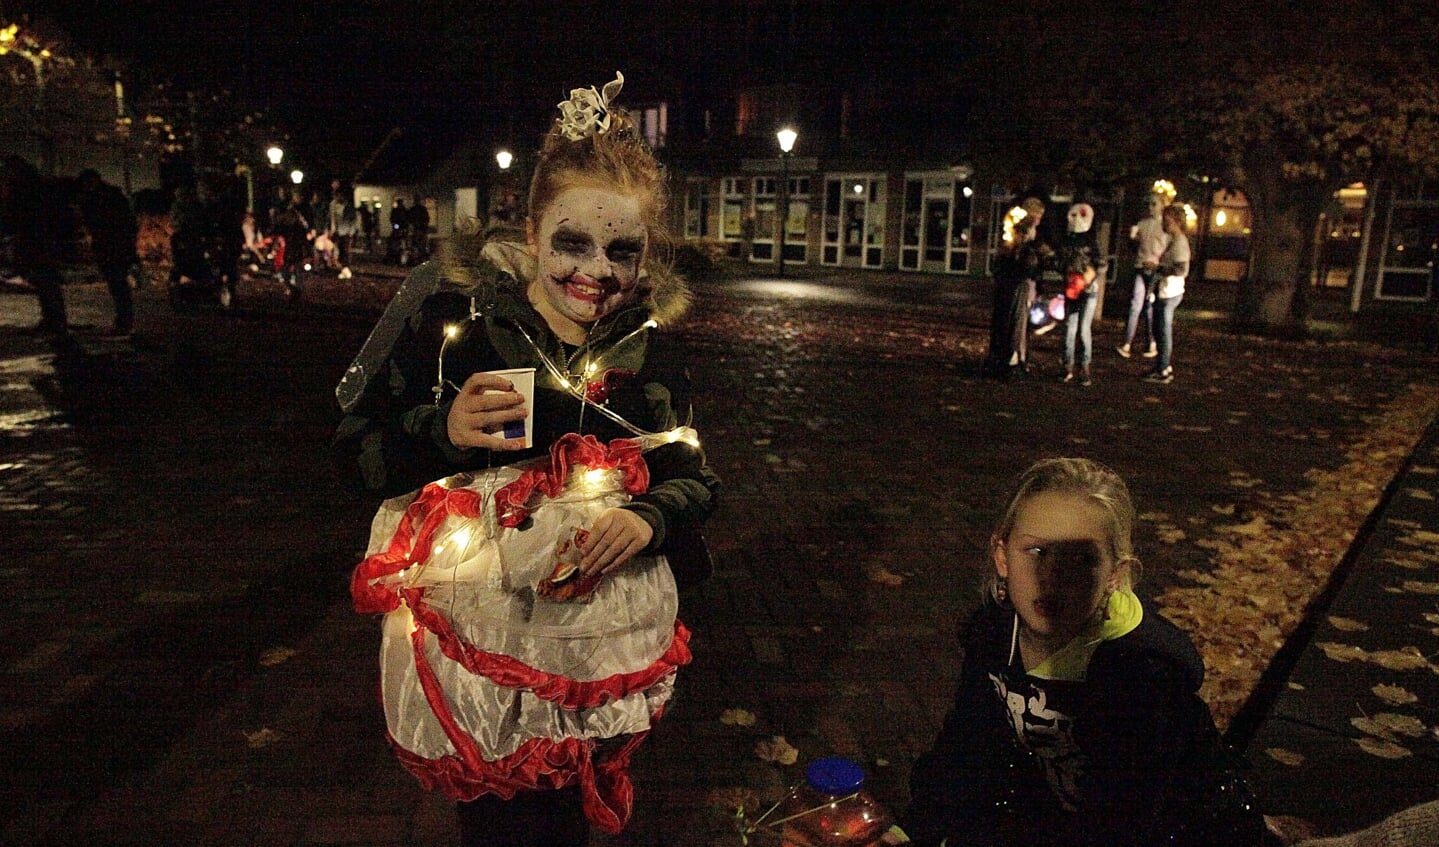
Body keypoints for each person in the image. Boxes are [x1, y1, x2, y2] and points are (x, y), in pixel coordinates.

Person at [333, 71, 719, 847]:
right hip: (489, 654)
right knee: (503, 825)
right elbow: (355, 454)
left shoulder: (648, 360)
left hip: (597, 652)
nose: (598, 272)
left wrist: (650, 519)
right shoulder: (461, 334)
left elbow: (694, 479)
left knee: (573, 822)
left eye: (623, 251)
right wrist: (445, 428)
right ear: (531, 231)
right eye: (572, 242)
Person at [900, 458, 1267, 847]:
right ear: (1002, 555)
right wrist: (911, 829)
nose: (1052, 577)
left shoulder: (1142, 681)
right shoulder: (994, 633)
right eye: (1037, 551)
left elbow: (1126, 823)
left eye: (1082, 559)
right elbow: (968, 744)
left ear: (1114, 573)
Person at [1, 156, 71, 337]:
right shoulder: (33, 187)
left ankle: (55, 321)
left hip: (36, 241)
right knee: (45, 282)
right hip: (38, 241)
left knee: (46, 281)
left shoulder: (26, 190)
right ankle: (52, 320)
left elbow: (22, 215)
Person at [74, 169, 140, 339]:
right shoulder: (104, 197)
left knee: (118, 285)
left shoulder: (105, 199)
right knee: (117, 285)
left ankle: (124, 323)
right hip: (111, 246)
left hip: (114, 246)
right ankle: (124, 322)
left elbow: (120, 223)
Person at [983, 211, 1044, 379]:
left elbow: (996, 269)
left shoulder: (1006, 251)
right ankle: (1012, 362)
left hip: (1004, 291)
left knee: (1003, 325)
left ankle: (999, 359)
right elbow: (1032, 272)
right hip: (1017, 292)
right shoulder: (1026, 252)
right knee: (1016, 326)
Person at [1058, 203, 1107, 386]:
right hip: (1072, 289)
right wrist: (1067, 272)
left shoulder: (1092, 242)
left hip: (1088, 290)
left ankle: (1084, 366)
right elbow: (1059, 262)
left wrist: (1090, 275)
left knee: (1083, 329)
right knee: (1070, 327)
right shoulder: (1067, 241)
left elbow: (1102, 264)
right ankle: (1068, 366)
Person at [1116, 195, 1170, 360]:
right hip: (1140, 267)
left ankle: (1150, 342)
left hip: (1153, 269)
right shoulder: (1142, 224)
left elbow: (1167, 248)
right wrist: (1132, 239)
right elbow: (1133, 246)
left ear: (1162, 206)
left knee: (1148, 305)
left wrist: (1160, 265)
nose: (1150, 207)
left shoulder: (1165, 227)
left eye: (1154, 204)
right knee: (1136, 304)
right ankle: (1127, 343)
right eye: (1149, 204)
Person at [1144, 205, 1189, 384]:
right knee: (1159, 329)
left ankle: (1163, 369)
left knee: (1163, 331)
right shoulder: (1174, 241)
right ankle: (1162, 365)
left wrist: (1158, 268)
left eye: (1167, 221)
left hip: (1170, 291)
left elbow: (1181, 269)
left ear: (1177, 222)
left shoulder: (1179, 243)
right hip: (1166, 290)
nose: (1163, 223)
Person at [328, 179, 358, 278]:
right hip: (336, 231)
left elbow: (352, 219)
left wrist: (351, 231)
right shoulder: (332, 205)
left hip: (345, 231)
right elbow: (332, 217)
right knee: (338, 250)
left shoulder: (347, 206)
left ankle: (346, 268)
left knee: (345, 250)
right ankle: (343, 268)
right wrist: (332, 228)